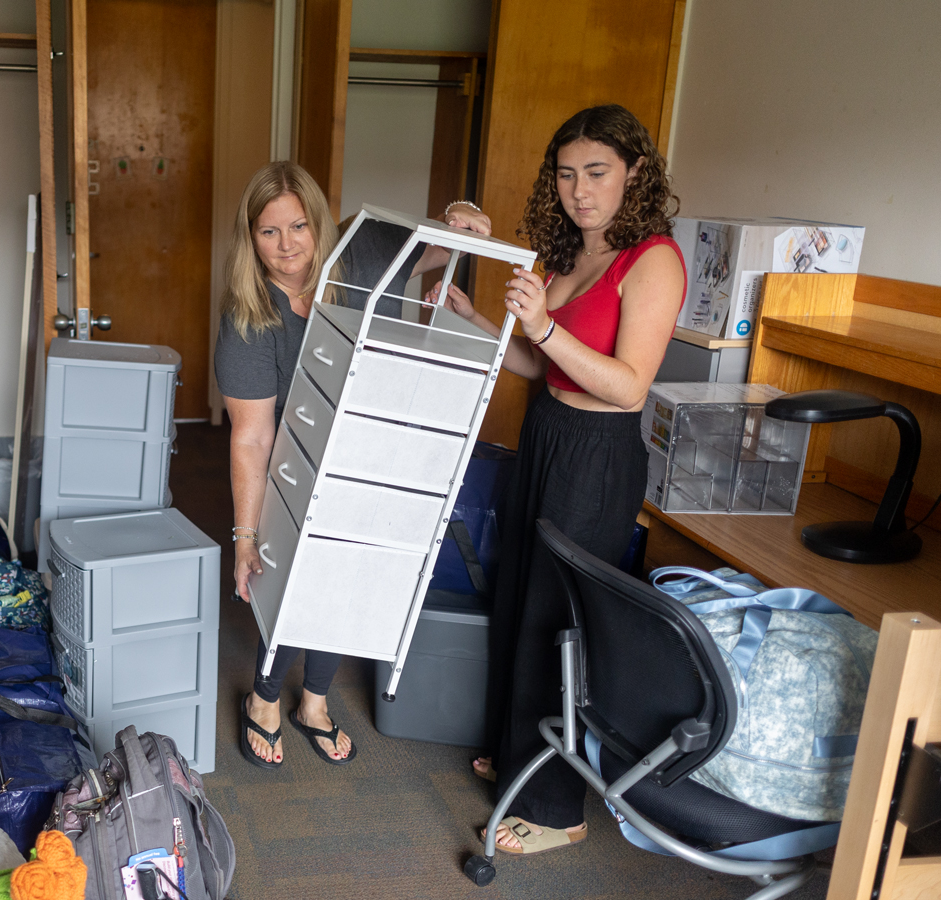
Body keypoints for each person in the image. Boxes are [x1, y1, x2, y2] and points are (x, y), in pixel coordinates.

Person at [426, 105, 685, 853]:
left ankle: (557, 809)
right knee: (517, 598)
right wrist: (481, 319)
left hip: (599, 451)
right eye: (567, 175)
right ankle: (520, 752)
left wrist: (542, 326)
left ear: (634, 173)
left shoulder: (654, 260)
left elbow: (630, 386)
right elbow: (540, 365)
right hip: (546, 432)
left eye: (597, 173)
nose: (580, 191)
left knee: (558, 620)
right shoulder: (569, 255)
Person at [214, 160, 491, 768]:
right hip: (297, 456)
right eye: (268, 233)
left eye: (298, 228)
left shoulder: (363, 254)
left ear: (318, 224)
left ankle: (313, 701)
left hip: (374, 443)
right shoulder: (248, 318)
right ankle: (263, 699)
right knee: (300, 574)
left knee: (355, 573)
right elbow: (252, 438)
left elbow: (443, 244)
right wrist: (246, 536)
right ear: (251, 238)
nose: (286, 247)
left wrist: (459, 215)